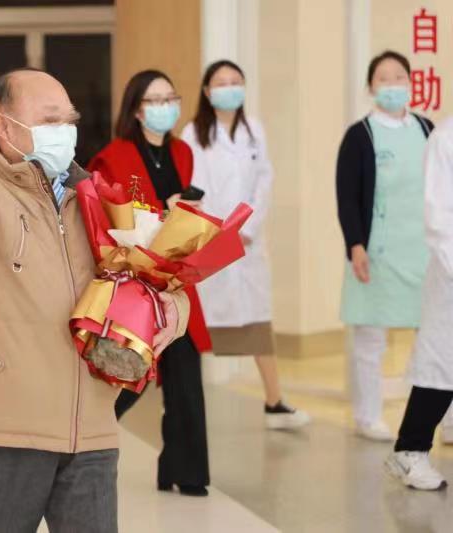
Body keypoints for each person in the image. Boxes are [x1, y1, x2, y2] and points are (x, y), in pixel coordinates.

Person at [0, 29, 190, 533]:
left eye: (69, 120)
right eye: (50, 120)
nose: (65, 130)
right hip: (8, 433)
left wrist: (169, 317)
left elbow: (163, 282)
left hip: (92, 433)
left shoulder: (95, 199)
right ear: (4, 127)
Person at [89, 70, 213, 496]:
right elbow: (111, 218)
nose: (165, 107)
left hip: (175, 279)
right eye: (155, 100)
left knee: (186, 376)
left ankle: (185, 472)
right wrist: (165, 208)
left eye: (170, 98)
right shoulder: (113, 157)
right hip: (136, 279)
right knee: (132, 372)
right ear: (137, 110)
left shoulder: (181, 151)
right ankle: (85, 435)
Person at [181, 60, 311, 430]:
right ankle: (184, 407)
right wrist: (217, 232)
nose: (229, 88)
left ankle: (274, 403)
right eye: (221, 83)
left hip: (247, 242)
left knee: (256, 323)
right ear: (207, 92)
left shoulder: (254, 129)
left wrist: (247, 227)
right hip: (210, 241)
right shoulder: (193, 133)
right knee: (197, 329)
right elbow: (194, 186)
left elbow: (264, 181)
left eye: (235, 81)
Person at [336, 50, 435, 441]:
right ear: (370, 87)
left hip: (423, 251)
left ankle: (441, 418)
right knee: (370, 338)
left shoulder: (426, 128)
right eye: (383, 78)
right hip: (375, 252)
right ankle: (368, 416)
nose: (392, 84)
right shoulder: (360, 135)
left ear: (410, 83)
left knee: (435, 336)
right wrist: (355, 245)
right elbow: (347, 197)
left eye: (399, 77)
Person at [385, 116, 453, 490]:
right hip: (451, 273)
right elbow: (439, 218)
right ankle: (410, 450)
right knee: (441, 363)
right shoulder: (445, 139)